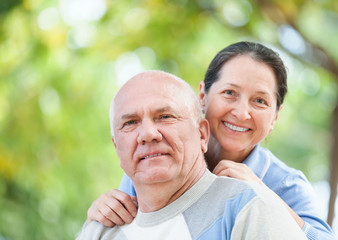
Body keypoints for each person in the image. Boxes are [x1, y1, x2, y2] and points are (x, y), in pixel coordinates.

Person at [85, 42, 335, 239]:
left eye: (260, 101)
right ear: (202, 96)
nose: (241, 112)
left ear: (275, 117)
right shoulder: (158, 157)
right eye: (229, 93)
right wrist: (100, 213)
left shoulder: (285, 184)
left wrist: (265, 197)